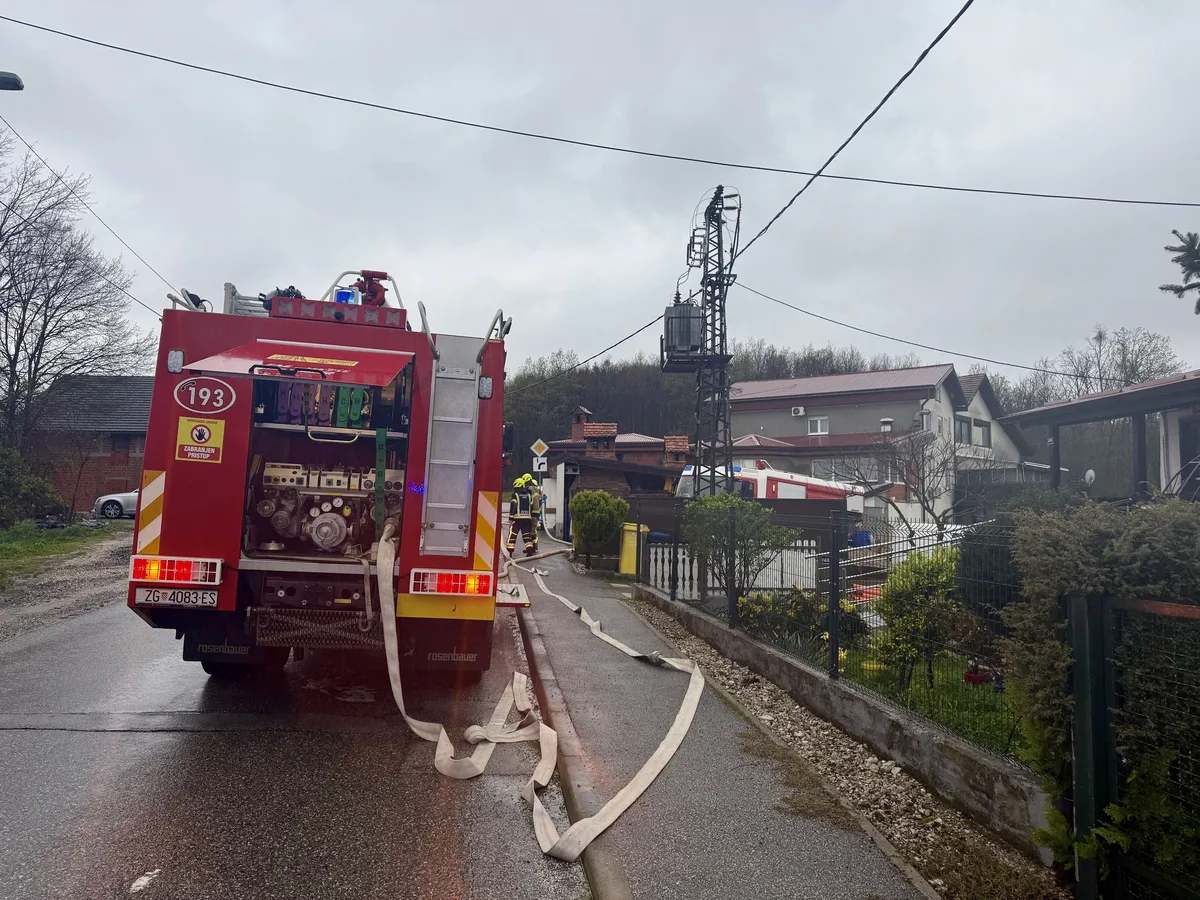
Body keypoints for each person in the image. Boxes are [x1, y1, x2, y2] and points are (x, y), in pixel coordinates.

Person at [507, 476, 537, 556]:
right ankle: (530, 550)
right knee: (526, 534)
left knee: (513, 534)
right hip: (527, 519)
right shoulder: (529, 495)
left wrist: (511, 518)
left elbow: (513, 507)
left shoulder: (515, 495)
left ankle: (510, 551)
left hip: (517, 519)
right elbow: (532, 507)